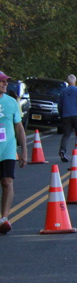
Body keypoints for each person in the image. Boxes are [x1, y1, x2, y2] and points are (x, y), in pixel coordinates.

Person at [0, 71, 28, 234]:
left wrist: (24, 151)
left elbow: (19, 127)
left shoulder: (11, 102)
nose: (5, 84)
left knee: (7, 181)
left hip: (8, 149)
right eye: (2, 81)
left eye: (6, 81)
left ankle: (4, 218)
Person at [57, 74, 77, 162]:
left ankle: (62, 150)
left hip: (66, 115)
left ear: (68, 82)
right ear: (75, 81)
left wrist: (61, 114)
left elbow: (60, 105)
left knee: (66, 134)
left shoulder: (63, 92)